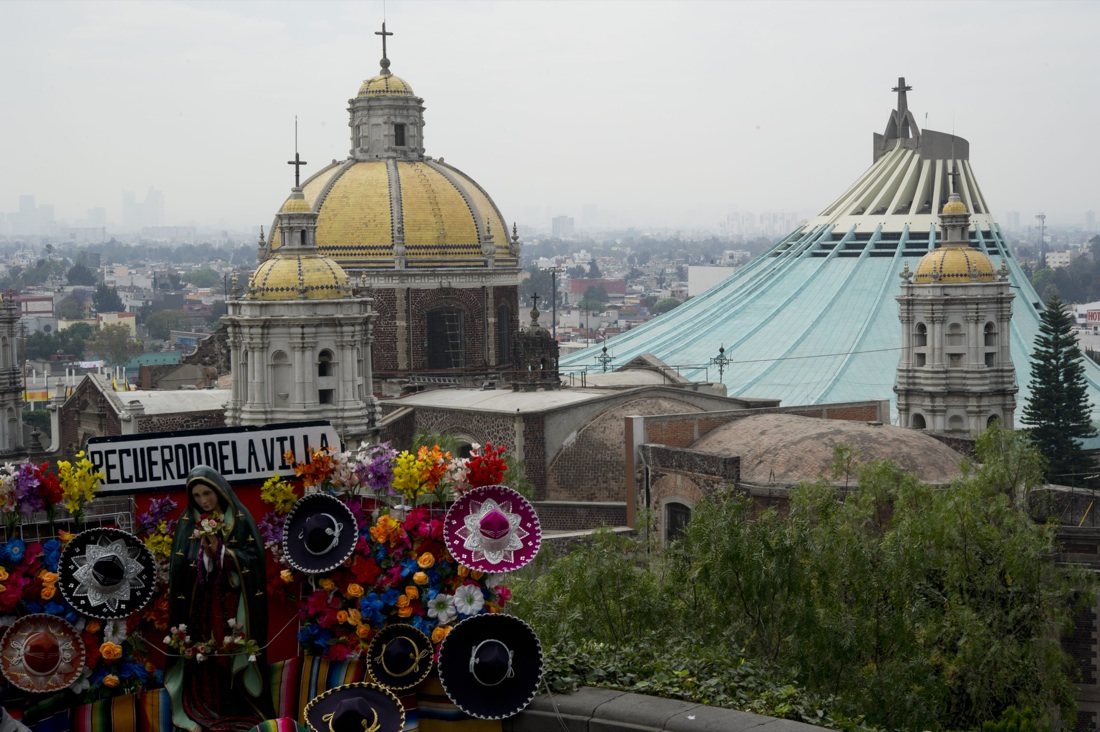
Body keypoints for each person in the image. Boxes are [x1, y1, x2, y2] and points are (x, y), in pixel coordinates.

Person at [166, 466, 273, 732]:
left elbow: (254, 560)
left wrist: (223, 553)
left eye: (208, 493)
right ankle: (205, 706)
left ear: (219, 490)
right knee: (206, 655)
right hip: (201, 606)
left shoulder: (239, 519)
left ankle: (238, 706)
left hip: (233, 603)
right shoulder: (187, 522)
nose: (203, 500)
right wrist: (203, 556)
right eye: (197, 495)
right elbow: (181, 566)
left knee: (231, 653)